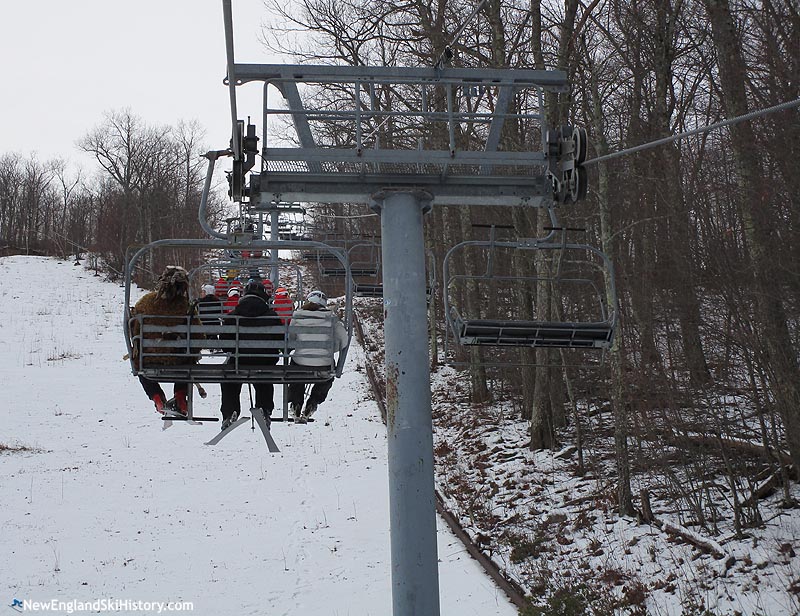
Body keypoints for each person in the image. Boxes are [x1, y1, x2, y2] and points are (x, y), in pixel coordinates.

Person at [130, 265, 198, 416]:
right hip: (179, 360)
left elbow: (134, 329)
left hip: (148, 359)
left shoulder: (146, 302)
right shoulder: (186, 306)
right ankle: (180, 395)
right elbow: (198, 336)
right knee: (187, 360)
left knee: (140, 366)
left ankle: (157, 397)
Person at [219, 281, 283, 430]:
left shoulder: (233, 315)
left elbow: (224, 344)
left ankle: (230, 411)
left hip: (238, 360)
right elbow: (280, 342)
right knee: (264, 376)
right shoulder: (271, 316)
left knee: (229, 376)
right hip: (265, 361)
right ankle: (264, 409)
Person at [287, 290, 348, 423]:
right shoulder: (331, 318)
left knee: (296, 373)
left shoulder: (298, 316)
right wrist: (330, 349)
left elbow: (291, 339)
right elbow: (344, 340)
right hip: (324, 363)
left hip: (300, 362)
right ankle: (313, 402)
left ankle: (296, 403)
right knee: (327, 377)